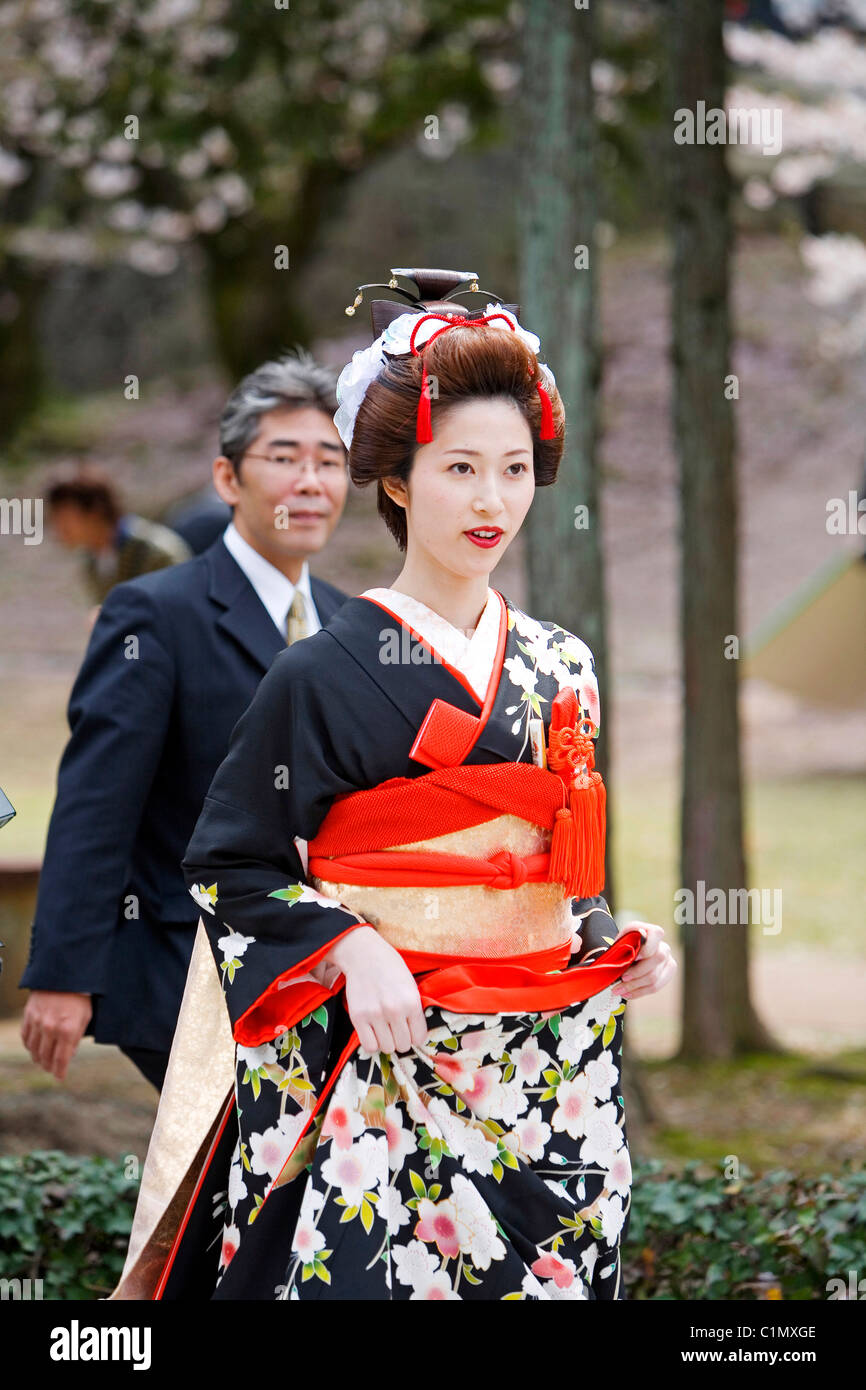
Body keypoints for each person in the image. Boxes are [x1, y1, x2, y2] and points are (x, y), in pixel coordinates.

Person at [120, 271, 676, 1302]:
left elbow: (566, 872)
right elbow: (229, 861)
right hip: (387, 1065)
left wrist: (611, 939)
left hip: (543, 1070)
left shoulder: (562, 662)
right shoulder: (320, 671)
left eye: (512, 469)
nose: (489, 499)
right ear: (395, 480)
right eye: (458, 466)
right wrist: (346, 943)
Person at [20, 351, 350, 1092]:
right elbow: (97, 800)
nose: (310, 482)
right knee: (223, 1186)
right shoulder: (155, 613)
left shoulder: (347, 620)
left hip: (322, 971)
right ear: (228, 478)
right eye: (285, 457)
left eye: (330, 461)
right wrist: (64, 974)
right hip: (183, 963)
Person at [46, 468, 193, 609]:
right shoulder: (94, 562)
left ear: (95, 510)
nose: (58, 528)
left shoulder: (156, 553)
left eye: (64, 519)